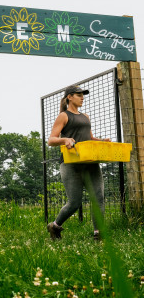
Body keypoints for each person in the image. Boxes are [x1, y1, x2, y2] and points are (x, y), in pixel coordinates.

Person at [47, 85, 110, 241]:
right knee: (75, 202)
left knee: (98, 197)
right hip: (70, 163)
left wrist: (102, 140)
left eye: (83, 95)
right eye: (79, 94)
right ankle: (54, 226)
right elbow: (51, 140)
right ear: (70, 97)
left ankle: (98, 234)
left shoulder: (85, 116)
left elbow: (89, 138)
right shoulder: (64, 116)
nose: (82, 97)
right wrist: (65, 139)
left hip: (89, 161)